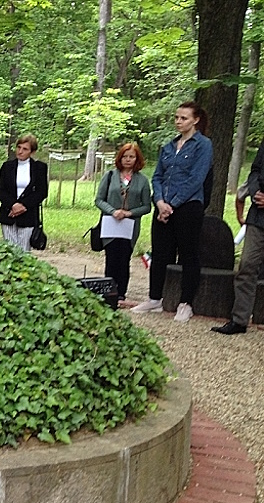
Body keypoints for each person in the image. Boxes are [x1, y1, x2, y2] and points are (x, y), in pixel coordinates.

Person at [132, 101, 214, 322]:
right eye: (176, 117)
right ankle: (155, 298)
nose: (179, 121)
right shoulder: (168, 146)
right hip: (163, 207)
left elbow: (196, 178)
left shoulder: (203, 145)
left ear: (195, 120)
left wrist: (173, 204)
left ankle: (186, 303)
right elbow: (157, 176)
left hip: (188, 206)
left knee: (188, 254)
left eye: (184, 118)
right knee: (160, 253)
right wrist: (159, 202)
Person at [212, 140, 264, 334]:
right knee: (247, 265)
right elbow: (255, 170)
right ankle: (239, 320)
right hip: (258, 217)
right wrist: (255, 191)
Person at [94, 143, 152, 306]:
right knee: (111, 258)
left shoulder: (142, 180)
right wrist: (113, 211)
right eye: (125, 156)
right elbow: (99, 200)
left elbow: (147, 206)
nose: (128, 160)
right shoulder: (110, 176)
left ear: (137, 159)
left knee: (124, 259)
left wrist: (129, 213)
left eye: (131, 157)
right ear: (119, 158)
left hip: (129, 226)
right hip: (110, 224)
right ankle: (108, 292)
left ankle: (121, 294)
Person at [0, 134, 49, 251]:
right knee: (9, 250)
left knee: (24, 251)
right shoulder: (7, 166)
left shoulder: (39, 168)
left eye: (25, 149)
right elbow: (0, 190)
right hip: (8, 213)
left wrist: (23, 206)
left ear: (32, 152)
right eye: (19, 147)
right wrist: (13, 205)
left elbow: (42, 192)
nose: (20, 151)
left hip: (28, 215)